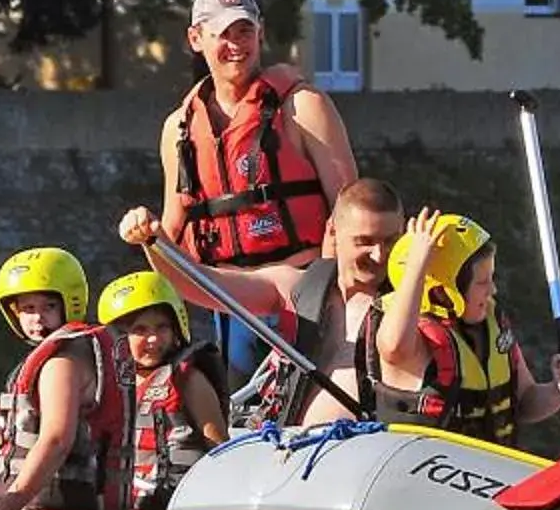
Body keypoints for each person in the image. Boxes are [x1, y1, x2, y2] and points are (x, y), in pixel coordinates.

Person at [158, 0, 361, 376]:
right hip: (228, 300)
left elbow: (350, 210)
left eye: (245, 31)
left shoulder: (303, 106)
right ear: (196, 39)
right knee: (244, 416)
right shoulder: (179, 128)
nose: (236, 44)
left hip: (302, 295)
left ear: (261, 32)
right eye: (223, 34)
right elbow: (172, 225)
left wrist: (333, 295)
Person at [119, 178, 408, 429]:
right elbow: (201, 284)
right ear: (333, 231)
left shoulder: (412, 302)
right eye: (364, 241)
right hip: (294, 451)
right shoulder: (292, 287)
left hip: (374, 455)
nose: (379, 256)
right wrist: (155, 241)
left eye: (391, 241)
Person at [365, 208, 560, 445]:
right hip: (430, 473)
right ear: (443, 289)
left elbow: (526, 401)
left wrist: (559, 390)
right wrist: (417, 265)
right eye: (482, 282)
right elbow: (393, 346)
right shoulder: (412, 340)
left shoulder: (491, 323)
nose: (493, 291)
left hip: (491, 472)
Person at [0, 248, 130, 510]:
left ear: (70, 303)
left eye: (48, 307)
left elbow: (56, 441)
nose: (37, 319)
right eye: (28, 309)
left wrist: (7, 504)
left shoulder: (62, 362)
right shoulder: (70, 352)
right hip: (62, 506)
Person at [100, 272, 229, 510]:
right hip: (130, 499)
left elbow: (219, 449)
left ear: (176, 328)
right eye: (140, 330)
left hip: (173, 502)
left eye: (162, 327)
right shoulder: (113, 384)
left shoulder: (189, 379)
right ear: (118, 337)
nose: (153, 340)